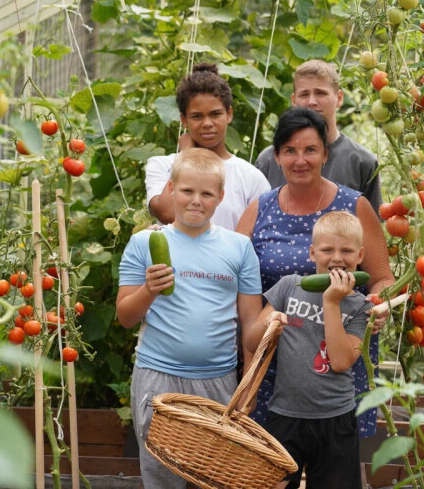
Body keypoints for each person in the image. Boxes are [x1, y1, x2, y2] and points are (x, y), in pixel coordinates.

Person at [236, 107, 394, 439]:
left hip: (339, 356)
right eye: (290, 151)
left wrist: (382, 304)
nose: (300, 160)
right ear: (276, 156)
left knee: (336, 464)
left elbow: (381, 276)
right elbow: (242, 287)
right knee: (273, 466)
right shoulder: (258, 210)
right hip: (276, 363)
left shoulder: (355, 206)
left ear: (325, 153)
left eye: (310, 150)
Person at [117, 148, 263, 488]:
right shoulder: (144, 243)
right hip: (158, 379)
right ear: (171, 189)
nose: (196, 201)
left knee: (213, 477)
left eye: (207, 193)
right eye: (187, 191)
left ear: (221, 197)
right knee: (160, 475)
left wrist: (250, 382)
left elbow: (250, 323)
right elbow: (125, 316)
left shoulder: (239, 248)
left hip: (218, 381)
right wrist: (149, 290)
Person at [244, 211, 371, 489]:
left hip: (336, 419)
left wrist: (332, 303)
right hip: (285, 414)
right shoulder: (290, 286)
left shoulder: (362, 307)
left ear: (360, 256)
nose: (337, 257)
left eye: (346, 250)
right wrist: (269, 322)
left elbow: (340, 361)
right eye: (327, 250)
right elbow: (251, 341)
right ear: (313, 253)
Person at [146, 63, 270, 231]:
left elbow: (257, 239)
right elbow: (168, 213)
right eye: (197, 116)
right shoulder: (161, 165)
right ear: (184, 120)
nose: (207, 123)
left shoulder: (251, 178)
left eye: (215, 114)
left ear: (229, 114)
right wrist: (187, 156)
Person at [255, 59, 382, 214]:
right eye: (304, 94)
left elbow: (373, 228)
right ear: (294, 101)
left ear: (339, 98)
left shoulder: (362, 162)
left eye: (320, 93)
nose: (312, 102)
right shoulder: (268, 161)